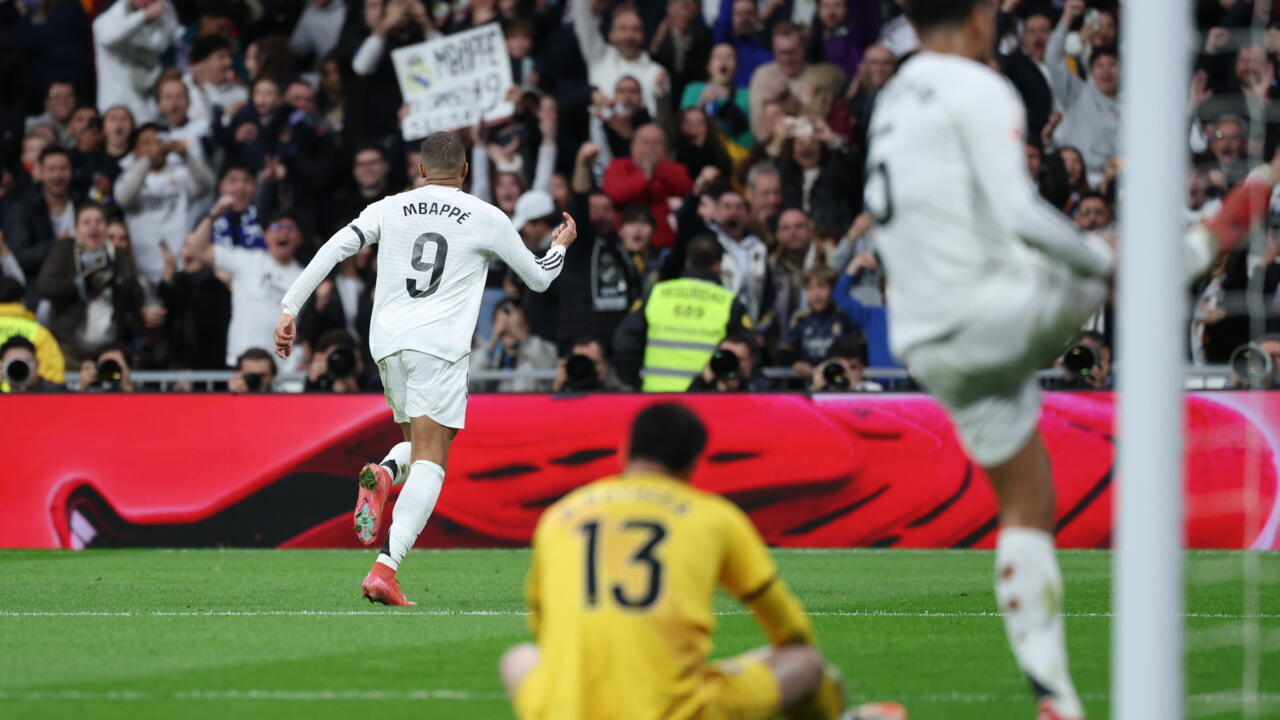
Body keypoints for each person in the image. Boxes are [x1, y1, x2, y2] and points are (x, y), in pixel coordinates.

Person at [273, 132, 578, 605]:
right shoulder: (486, 216)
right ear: (464, 172)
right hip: (438, 346)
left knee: (416, 445)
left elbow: (336, 246)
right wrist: (560, 245)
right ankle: (386, 569)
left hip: (387, 344)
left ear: (419, 171)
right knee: (433, 459)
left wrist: (291, 306)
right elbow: (539, 280)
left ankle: (386, 475)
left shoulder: (389, 207)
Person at [500, 402, 900, 720]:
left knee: (519, 658)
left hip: (567, 710)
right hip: (678, 711)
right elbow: (789, 626)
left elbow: (542, 628)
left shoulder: (562, 514)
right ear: (693, 464)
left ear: (625, 451)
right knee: (805, 664)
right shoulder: (712, 516)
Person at [612, 235, 751, 391]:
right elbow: (745, 353)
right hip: (706, 398)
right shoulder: (728, 302)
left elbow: (625, 341)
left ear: (688, 261)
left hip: (655, 396)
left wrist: (632, 382)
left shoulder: (657, 293)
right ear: (718, 266)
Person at [184, 210, 305, 369]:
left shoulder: (306, 276)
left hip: (282, 369)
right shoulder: (245, 260)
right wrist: (215, 212)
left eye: (290, 228)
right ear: (265, 234)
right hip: (241, 362)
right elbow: (196, 250)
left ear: (300, 238)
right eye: (276, 227)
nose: (283, 232)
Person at [92, 0, 181, 121]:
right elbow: (107, 36)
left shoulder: (158, 14)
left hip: (146, 110)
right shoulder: (112, 14)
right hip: (115, 111)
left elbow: (171, 38)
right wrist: (143, 15)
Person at [1, 335, 66, 393]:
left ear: (37, 364)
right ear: (2, 366)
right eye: (13, 363)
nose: (19, 368)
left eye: (25, 361)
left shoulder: (58, 394)